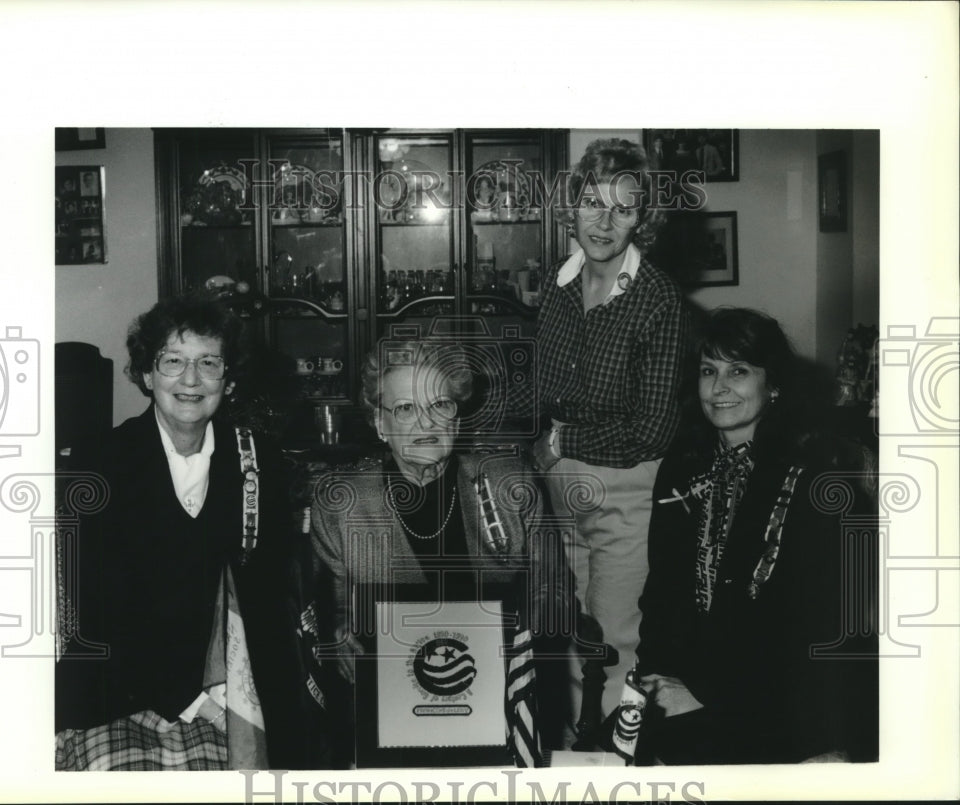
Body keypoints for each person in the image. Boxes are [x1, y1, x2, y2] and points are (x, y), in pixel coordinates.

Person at [55, 292, 326, 770]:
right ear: (145, 374)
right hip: (123, 690)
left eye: (209, 363)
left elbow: (267, 593)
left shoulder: (257, 460)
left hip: (239, 688)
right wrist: (193, 699)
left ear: (230, 378)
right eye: (173, 361)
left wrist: (241, 696)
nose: (191, 380)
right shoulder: (101, 462)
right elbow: (98, 606)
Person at [634, 307, 878, 764]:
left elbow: (820, 627)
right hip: (691, 686)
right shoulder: (683, 465)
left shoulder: (815, 474)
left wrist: (708, 696)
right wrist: (651, 680)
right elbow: (662, 592)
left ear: (774, 386)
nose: (719, 387)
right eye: (709, 371)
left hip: (784, 701)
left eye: (739, 371)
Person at [311, 338, 569, 767]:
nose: (425, 422)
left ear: (457, 414)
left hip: (502, 703)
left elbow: (552, 593)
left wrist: (511, 655)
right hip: (388, 714)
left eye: (440, 405)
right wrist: (357, 652)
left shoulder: (510, 485)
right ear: (380, 424)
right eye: (406, 409)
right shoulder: (344, 504)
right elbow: (334, 621)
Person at [533, 137, 689, 742]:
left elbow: (652, 429)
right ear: (572, 206)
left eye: (623, 209)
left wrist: (563, 436)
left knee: (614, 638)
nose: (604, 220)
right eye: (593, 202)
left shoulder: (657, 299)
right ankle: (578, 754)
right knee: (570, 633)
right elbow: (542, 391)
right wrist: (540, 445)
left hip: (624, 493)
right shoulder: (557, 285)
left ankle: (617, 761)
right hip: (561, 488)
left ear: (642, 219)